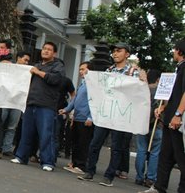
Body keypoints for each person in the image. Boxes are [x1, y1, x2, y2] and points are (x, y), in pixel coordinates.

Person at [78, 42, 143, 186]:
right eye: (114, 51)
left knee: (116, 147)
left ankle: (109, 176)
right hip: (106, 113)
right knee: (95, 143)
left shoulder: (133, 72)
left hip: (120, 114)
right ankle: (89, 171)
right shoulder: (109, 70)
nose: (115, 53)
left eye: (119, 51)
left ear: (127, 54)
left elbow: (136, 93)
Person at [11, 42, 65, 172]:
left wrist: (38, 72)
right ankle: (21, 156)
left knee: (46, 134)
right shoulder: (37, 65)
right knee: (26, 133)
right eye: (44, 49)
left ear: (54, 53)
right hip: (31, 103)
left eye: (49, 50)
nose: (45, 51)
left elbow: (56, 80)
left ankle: (47, 161)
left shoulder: (58, 66)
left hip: (46, 105)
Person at [141, 40, 185, 193]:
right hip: (169, 118)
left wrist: (178, 114)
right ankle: (159, 186)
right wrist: (163, 108)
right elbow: (175, 95)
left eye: (174, 50)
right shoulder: (178, 69)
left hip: (177, 121)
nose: (173, 52)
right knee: (165, 156)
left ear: (179, 51)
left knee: (180, 157)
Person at [60, 61, 94, 175]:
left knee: (83, 143)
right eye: (80, 69)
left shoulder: (93, 85)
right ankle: (74, 163)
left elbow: (95, 102)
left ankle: (81, 165)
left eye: (83, 69)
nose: (81, 72)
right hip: (77, 117)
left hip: (85, 118)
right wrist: (67, 109)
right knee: (75, 141)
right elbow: (75, 99)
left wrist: (90, 117)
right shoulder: (83, 83)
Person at [135, 69, 162, 188]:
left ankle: (139, 176)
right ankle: (150, 178)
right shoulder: (161, 92)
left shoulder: (143, 89)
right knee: (155, 152)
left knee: (141, 150)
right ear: (158, 79)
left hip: (142, 123)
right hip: (157, 125)